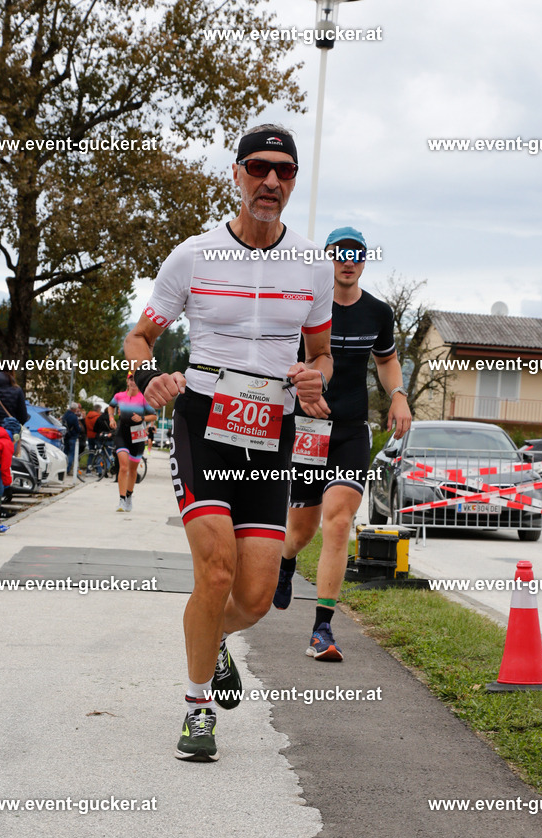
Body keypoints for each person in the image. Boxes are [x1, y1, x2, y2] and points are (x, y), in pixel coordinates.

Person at [124, 123, 334, 762]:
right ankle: (196, 711)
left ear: (293, 182)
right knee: (213, 571)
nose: (271, 181)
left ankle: (210, 637)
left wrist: (311, 378)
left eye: (284, 171)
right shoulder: (193, 256)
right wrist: (148, 375)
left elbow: (322, 357)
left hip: (270, 431)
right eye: (259, 168)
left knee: (255, 597)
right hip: (203, 418)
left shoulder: (313, 267)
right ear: (238, 174)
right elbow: (140, 338)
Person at [273, 227, 412, 660]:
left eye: (355, 255)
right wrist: (301, 391)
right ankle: (285, 561)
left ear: (364, 261)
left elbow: (387, 361)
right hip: (307, 431)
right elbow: (283, 360)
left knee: (337, 525)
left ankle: (322, 629)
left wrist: (399, 395)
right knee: (301, 531)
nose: (347, 262)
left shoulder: (378, 312)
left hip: (351, 431)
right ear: (328, 258)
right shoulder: (308, 306)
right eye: (338, 254)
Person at [108, 373, 157, 511]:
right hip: (122, 433)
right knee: (123, 467)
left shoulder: (143, 398)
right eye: (130, 379)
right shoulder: (119, 396)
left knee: (133, 469)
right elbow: (111, 407)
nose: (133, 381)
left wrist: (142, 418)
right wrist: (111, 418)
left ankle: (129, 495)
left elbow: (154, 415)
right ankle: (122, 500)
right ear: (127, 381)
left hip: (137, 434)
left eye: (135, 379)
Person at [61, 402, 83, 474]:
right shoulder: (74, 417)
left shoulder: (65, 415)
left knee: (65, 453)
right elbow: (77, 428)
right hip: (73, 436)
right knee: (72, 454)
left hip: (66, 436)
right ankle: (67, 469)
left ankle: (62, 468)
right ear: (75, 409)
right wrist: (80, 429)